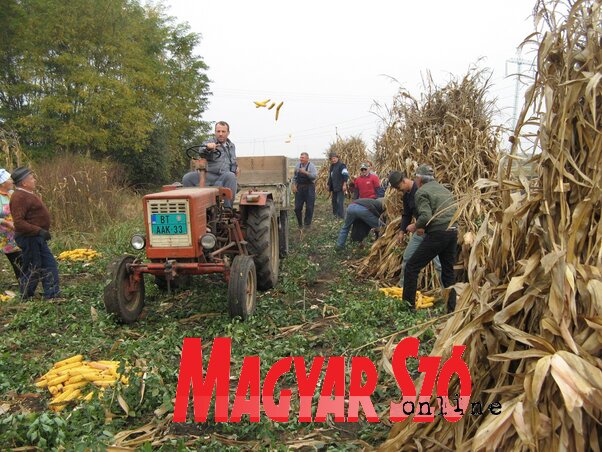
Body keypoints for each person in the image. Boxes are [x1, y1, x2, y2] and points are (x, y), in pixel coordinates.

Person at [401, 165, 458, 313]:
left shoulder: (421, 192)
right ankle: (452, 309)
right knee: (448, 272)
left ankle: (408, 308)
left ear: (419, 179)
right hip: (452, 232)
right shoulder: (445, 190)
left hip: (438, 234)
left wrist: (415, 226)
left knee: (411, 267)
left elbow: (425, 216)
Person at [9, 167, 60, 299]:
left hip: (36, 237)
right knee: (33, 267)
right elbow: (18, 223)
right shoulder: (19, 197)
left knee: (48, 264)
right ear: (24, 183)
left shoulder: (27, 193)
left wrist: (41, 232)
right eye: (32, 178)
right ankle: (26, 294)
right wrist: (39, 231)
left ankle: (52, 295)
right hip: (29, 238)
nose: (34, 180)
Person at [387, 171, 441, 287]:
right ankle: (403, 287)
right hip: (421, 231)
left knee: (439, 264)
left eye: (398, 187)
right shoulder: (407, 195)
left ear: (404, 181)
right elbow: (407, 214)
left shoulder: (420, 190)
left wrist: (420, 226)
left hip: (434, 231)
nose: (398, 190)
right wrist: (402, 231)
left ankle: (446, 294)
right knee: (407, 257)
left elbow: (430, 212)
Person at [182, 121, 238, 208]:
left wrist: (235, 169)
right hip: (208, 175)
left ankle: (227, 209)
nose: (220, 134)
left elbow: (233, 162)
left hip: (222, 177)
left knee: (231, 176)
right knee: (187, 178)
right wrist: (208, 147)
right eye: (218, 131)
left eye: (223, 131)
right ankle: (192, 207)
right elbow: (202, 149)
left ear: (228, 133)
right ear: (215, 132)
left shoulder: (231, 146)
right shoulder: (210, 142)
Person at [0, 168, 22, 284]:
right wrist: (6, 222)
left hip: (17, 232)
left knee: (20, 258)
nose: (12, 181)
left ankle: (25, 284)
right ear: (3, 183)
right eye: (9, 179)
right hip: (4, 235)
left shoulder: (12, 194)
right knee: (16, 258)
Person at [292, 152, 317, 229]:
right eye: (300, 157)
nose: (301, 159)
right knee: (297, 208)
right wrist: (294, 185)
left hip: (309, 188)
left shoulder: (311, 166)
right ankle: (300, 224)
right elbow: (295, 177)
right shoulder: (297, 165)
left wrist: (305, 172)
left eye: (302, 157)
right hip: (299, 189)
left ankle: (307, 224)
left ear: (307, 158)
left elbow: (314, 177)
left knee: (309, 207)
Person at [327, 152, 349, 219]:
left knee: (339, 202)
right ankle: (335, 215)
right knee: (334, 201)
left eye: (334, 158)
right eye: (332, 159)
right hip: (334, 187)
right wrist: (328, 184)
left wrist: (344, 184)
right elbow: (330, 177)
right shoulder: (332, 166)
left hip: (340, 187)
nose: (333, 160)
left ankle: (341, 216)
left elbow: (345, 175)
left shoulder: (342, 165)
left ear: (337, 158)